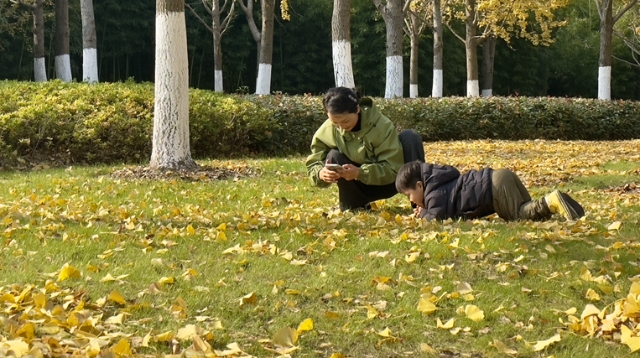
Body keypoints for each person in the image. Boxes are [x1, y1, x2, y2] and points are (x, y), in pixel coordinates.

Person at [305, 87, 425, 211]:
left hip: (391, 183)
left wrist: (360, 173)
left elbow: (393, 169)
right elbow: (314, 162)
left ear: (357, 109)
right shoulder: (328, 129)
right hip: (358, 186)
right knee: (333, 155)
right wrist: (320, 173)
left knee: (410, 137)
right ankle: (355, 206)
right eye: (335, 123)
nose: (341, 127)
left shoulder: (381, 126)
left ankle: (421, 203)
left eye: (345, 121)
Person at [395, 161, 585, 221]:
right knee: (531, 213)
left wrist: (423, 214)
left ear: (420, 185)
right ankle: (568, 211)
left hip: (494, 189)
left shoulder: (433, 194)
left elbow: (436, 218)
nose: (411, 201)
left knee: (520, 216)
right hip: (500, 175)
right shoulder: (438, 180)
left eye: (408, 195)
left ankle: (552, 199)